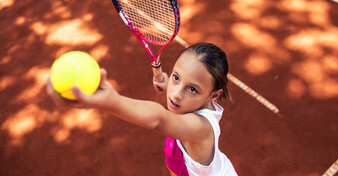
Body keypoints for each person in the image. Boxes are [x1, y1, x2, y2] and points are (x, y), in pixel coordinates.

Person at [47, 42, 238, 176]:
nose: (177, 94)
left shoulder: (200, 129)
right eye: (176, 77)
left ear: (213, 95)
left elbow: (160, 119)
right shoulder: (196, 102)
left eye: (192, 89)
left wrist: (113, 102)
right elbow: (182, 90)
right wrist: (170, 85)